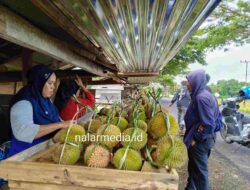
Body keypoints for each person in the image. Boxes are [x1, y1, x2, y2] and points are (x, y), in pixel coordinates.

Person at [8, 65, 70, 156]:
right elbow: (23, 132)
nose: (53, 87)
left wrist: (66, 124)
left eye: (54, 83)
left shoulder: (45, 100)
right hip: (24, 155)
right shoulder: (24, 101)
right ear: (39, 82)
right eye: (50, 83)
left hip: (43, 152)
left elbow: (55, 118)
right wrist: (59, 125)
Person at [184, 69, 220, 190]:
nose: (187, 84)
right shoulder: (206, 95)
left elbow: (209, 124)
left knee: (199, 174)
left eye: (188, 81)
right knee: (194, 170)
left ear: (196, 81)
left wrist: (195, 138)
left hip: (201, 142)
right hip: (206, 140)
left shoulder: (201, 98)